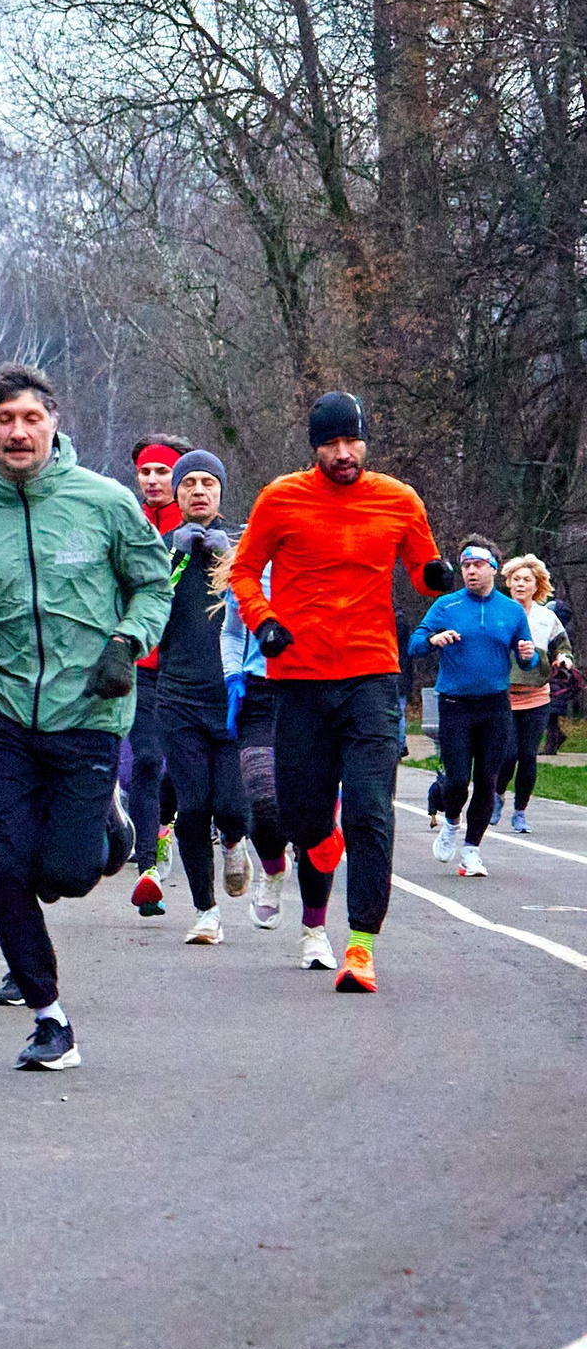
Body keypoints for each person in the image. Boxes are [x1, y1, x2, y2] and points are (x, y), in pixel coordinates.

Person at [0, 364, 172, 1070]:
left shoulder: (104, 503)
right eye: (4, 420)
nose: (18, 432)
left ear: (53, 422)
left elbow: (153, 584)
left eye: (30, 418)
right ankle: (48, 1015)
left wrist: (128, 642)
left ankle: (111, 826)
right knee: (2, 864)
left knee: (66, 870)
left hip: (88, 708)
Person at [227, 392, 449, 992]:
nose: (344, 454)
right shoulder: (281, 499)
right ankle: (318, 846)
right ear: (315, 447)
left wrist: (436, 577)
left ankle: (361, 946)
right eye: (332, 444)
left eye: (353, 442)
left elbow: (423, 570)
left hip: (372, 678)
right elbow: (244, 571)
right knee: (303, 816)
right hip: (298, 680)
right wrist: (262, 621)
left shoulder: (399, 500)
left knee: (372, 809)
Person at [148, 451, 252, 944]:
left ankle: (235, 840)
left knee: (231, 804)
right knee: (192, 806)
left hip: (233, 695)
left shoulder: (244, 544)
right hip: (178, 694)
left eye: (207, 482)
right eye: (187, 482)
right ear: (176, 493)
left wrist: (225, 554)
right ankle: (205, 910)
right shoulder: (161, 549)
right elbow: (147, 611)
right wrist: (175, 557)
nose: (197, 491)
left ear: (221, 491)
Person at [409, 539, 537, 877]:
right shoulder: (446, 607)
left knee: (487, 780)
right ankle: (451, 822)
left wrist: (528, 655)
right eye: (465, 566)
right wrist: (432, 640)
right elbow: (413, 645)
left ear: (493, 569)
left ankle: (472, 850)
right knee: (457, 779)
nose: (470, 572)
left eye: (477, 565)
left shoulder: (510, 610)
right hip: (455, 705)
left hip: (495, 705)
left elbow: (529, 658)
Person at [123, 434, 190, 914]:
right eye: (145, 472)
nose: (152, 480)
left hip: (189, 671)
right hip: (141, 667)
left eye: (161, 472)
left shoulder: (197, 528)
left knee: (179, 772)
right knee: (145, 760)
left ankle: (165, 829)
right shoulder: (124, 524)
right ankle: (147, 864)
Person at [218, 569, 290, 929]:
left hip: (310, 692)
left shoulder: (324, 558)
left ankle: (315, 929)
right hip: (259, 694)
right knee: (263, 803)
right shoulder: (249, 571)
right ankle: (273, 868)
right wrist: (233, 675)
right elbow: (231, 630)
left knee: (312, 818)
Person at [495, 556, 570, 834]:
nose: (521, 584)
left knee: (528, 755)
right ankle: (498, 795)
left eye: (527, 580)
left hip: (537, 695)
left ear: (537, 584)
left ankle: (520, 812)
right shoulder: (499, 612)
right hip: (504, 695)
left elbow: (563, 646)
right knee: (508, 754)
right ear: (509, 583)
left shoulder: (546, 617)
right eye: (516, 579)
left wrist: (564, 659)